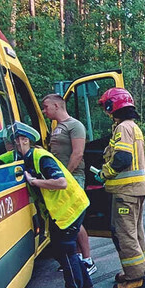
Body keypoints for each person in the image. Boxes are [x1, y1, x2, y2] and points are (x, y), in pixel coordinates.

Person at [9, 121, 94, 288]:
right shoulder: (29, 158)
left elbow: (61, 182)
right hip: (68, 208)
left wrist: (34, 182)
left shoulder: (40, 157)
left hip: (69, 209)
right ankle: (86, 283)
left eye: (15, 142)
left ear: (24, 140)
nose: (13, 146)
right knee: (64, 248)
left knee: (64, 250)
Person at [97, 87, 145, 288]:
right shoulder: (133, 127)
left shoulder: (122, 129)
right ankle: (139, 267)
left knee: (125, 234)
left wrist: (105, 173)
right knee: (136, 231)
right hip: (136, 189)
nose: (106, 111)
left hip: (126, 192)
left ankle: (135, 277)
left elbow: (122, 158)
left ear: (114, 105)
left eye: (107, 107)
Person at [41, 94, 96, 275]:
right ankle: (76, 259)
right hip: (61, 181)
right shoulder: (57, 128)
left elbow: (78, 153)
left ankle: (88, 261)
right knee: (67, 219)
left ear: (57, 105)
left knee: (75, 219)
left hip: (73, 178)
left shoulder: (75, 125)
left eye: (46, 107)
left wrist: (67, 177)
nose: (44, 110)